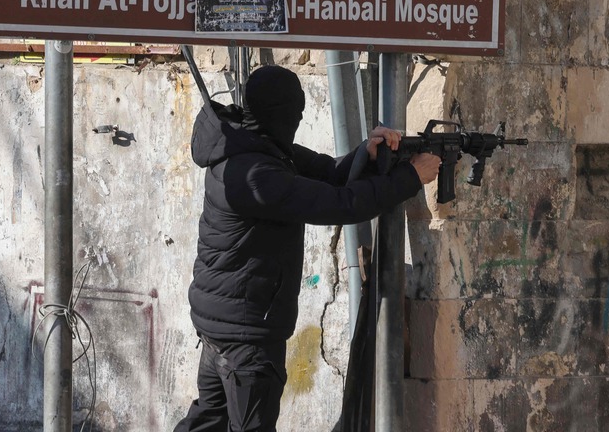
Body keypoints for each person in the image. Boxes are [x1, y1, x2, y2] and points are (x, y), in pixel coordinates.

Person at [173, 65, 440, 432]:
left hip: (224, 327)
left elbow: (330, 172)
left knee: (206, 423)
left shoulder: (249, 145)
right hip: (247, 339)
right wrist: (410, 177)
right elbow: (340, 204)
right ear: (280, 114)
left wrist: (368, 152)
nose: (297, 122)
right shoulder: (256, 176)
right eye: (295, 115)